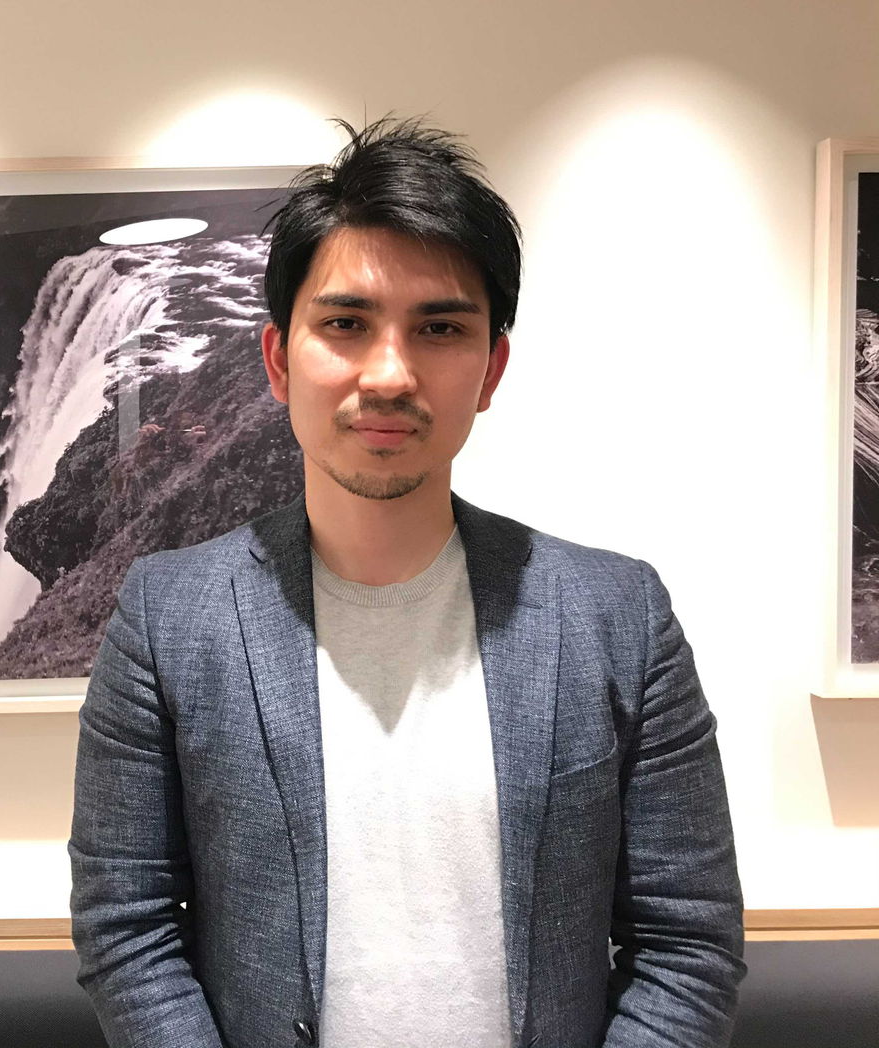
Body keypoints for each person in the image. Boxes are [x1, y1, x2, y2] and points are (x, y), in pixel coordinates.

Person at [68, 117, 745, 1048]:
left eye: (439, 329)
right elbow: (127, 928)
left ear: (491, 369)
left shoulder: (617, 617)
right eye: (346, 324)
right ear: (278, 359)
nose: (389, 374)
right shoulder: (168, 619)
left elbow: (688, 945)